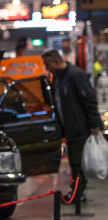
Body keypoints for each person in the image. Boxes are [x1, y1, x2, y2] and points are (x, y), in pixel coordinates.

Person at [41, 49, 103, 204]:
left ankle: (78, 193)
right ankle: (77, 191)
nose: (47, 69)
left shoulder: (75, 75)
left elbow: (89, 100)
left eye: (48, 65)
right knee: (74, 162)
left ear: (56, 62)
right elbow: (56, 102)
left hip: (80, 127)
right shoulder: (58, 78)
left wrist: (94, 123)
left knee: (77, 162)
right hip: (68, 128)